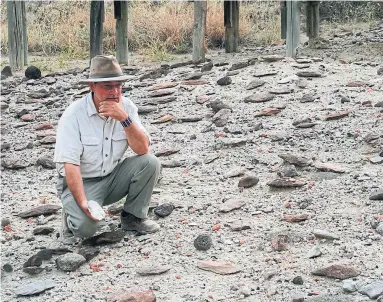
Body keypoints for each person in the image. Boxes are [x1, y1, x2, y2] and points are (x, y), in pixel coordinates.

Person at [54, 55, 161, 242]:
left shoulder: (127, 107)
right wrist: (83, 204)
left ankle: (133, 218)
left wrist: (124, 119)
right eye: (107, 86)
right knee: (86, 229)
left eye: (118, 85)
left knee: (150, 163)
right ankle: (70, 216)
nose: (115, 91)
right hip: (81, 183)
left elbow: (143, 149)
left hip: (112, 177)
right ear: (92, 86)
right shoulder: (73, 115)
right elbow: (70, 167)